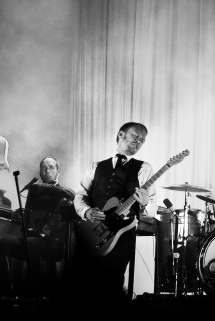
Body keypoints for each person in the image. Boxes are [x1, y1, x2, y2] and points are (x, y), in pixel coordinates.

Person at [72, 122, 156, 306]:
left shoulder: (145, 168)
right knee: (83, 281)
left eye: (142, 140)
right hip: (93, 230)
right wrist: (87, 212)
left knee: (112, 279)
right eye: (136, 135)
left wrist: (145, 203)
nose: (139, 141)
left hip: (123, 232)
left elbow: (152, 208)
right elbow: (80, 195)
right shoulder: (95, 166)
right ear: (121, 134)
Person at [0, 157, 76, 298]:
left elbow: (64, 223)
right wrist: (19, 216)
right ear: (40, 172)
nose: (47, 171)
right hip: (30, 240)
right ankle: (5, 289)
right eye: (43, 168)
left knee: (33, 244)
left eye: (51, 167)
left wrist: (46, 231)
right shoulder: (34, 191)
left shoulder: (66, 194)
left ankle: (31, 294)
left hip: (54, 244)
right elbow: (28, 219)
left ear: (58, 172)